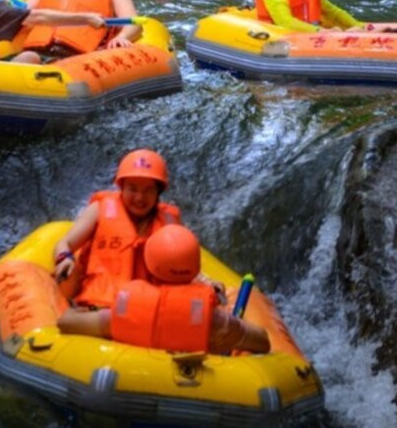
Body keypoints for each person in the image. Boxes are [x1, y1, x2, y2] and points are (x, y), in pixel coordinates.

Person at [57, 224, 271, 355]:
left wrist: (79, 312)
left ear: (150, 267)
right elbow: (262, 341)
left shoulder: (125, 311)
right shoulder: (215, 322)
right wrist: (236, 324)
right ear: (195, 270)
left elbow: (65, 323)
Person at [52, 150, 181, 308]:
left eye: (148, 190)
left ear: (158, 192)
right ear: (122, 187)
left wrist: (205, 282)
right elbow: (64, 243)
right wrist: (65, 258)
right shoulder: (99, 209)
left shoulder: (168, 223)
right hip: (97, 305)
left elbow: (182, 268)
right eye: (132, 189)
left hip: (144, 309)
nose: (140, 198)